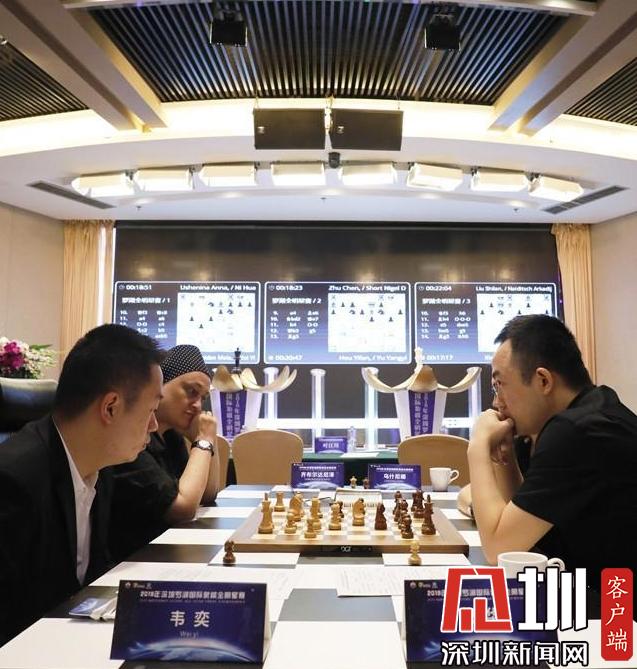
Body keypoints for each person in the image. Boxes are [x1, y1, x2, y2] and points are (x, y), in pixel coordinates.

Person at [0, 324, 163, 646]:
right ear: (110, 407)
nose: (155, 425)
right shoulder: (14, 482)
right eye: (151, 410)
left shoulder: (99, 468)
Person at [469, 314, 637, 603]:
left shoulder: (578, 432)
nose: (496, 402)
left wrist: (478, 446)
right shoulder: (591, 412)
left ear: (543, 380)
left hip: (618, 613)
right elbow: (519, 533)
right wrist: (505, 456)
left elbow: (497, 549)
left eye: (500, 385)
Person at [108, 344, 220, 562]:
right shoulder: (131, 441)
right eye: (191, 392)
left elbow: (207, 494)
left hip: (162, 554)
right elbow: (183, 508)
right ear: (159, 387)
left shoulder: (170, 437)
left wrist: (205, 439)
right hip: (129, 562)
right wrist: (204, 440)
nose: (198, 405)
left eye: (203, 397)